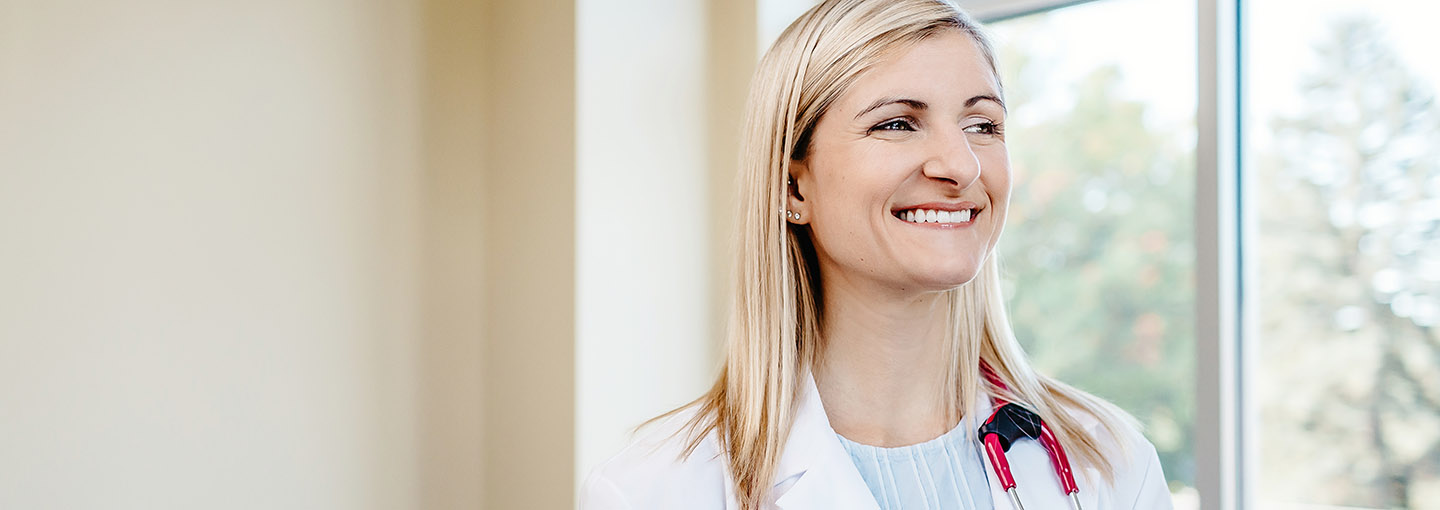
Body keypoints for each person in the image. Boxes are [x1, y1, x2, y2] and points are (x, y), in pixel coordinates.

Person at [579, 0, 1174, 508]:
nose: (960, 165)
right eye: (896, 124)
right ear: (793, 187)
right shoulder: (655, 491)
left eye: (983, 125)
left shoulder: (1108, 463)